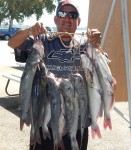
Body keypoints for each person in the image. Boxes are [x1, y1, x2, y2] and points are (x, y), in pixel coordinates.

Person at [8, 0, 101, 149]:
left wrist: (96, 44)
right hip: (45, 120)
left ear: (79, 21)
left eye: (73, 15)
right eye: (62, 13)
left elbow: (100, 72)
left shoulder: (85, 45)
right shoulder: (42, 41)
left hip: (75, 123)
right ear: (55, 19)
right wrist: (29, 31)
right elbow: (12, 43)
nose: (67, 18)